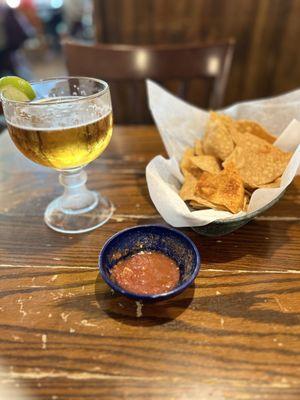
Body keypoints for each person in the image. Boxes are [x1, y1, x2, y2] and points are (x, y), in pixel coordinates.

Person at [0, 3, 34, 77]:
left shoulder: (7, 10)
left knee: (16, 69)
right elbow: (27, 29)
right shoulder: (7, 9)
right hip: (10, 48)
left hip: (8, 48)